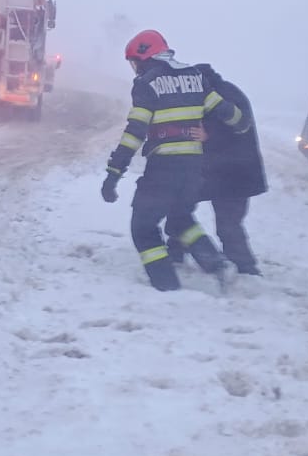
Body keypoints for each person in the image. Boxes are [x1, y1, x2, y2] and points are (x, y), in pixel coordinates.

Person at [102, 30, 250, 292]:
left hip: (163, 170)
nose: (134, 69)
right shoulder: (197, 78)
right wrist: (213, 133)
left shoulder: (147, 84)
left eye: (134, 62)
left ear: (145, 56)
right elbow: (236, 119)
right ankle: (218, 265)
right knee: (179, 219)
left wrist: (114, 173)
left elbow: (135, 133)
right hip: (194, 170)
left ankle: (167, 286)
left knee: (143, 228)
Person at [177, 71, 266, 276]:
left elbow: (240, 128)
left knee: (228, 224)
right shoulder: (220, 91)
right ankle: (176, 255)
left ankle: (247, 269)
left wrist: (209, 133)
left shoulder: (225, 96)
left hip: (235, 174)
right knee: (179, 208)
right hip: (217, 171)